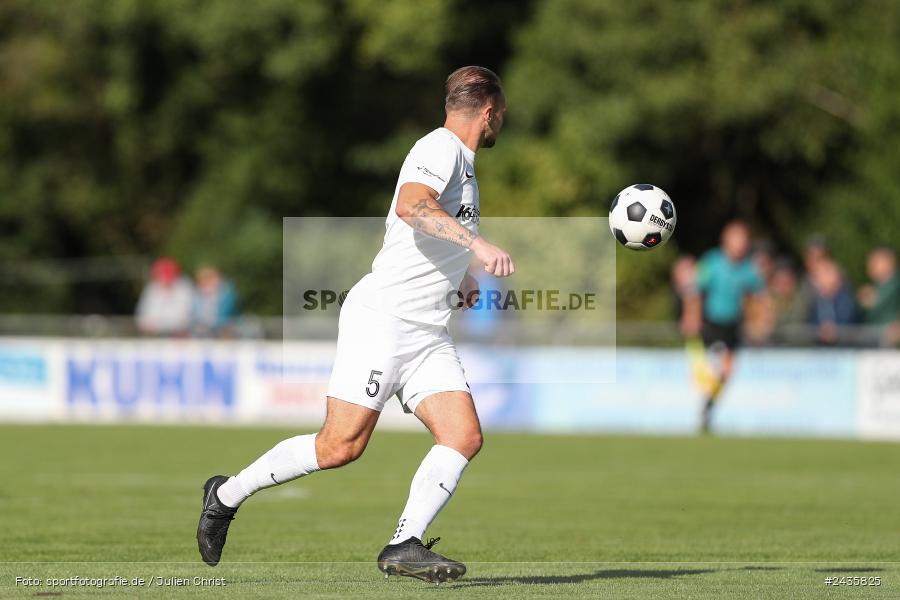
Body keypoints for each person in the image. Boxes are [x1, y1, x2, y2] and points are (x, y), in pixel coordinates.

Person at [196, 66, 512, 583]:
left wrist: (464, 274)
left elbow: (427, 233)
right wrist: (477, 244)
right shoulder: (441, 148)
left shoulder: (464, 163)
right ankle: (225, 494)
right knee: (340, 446)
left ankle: (403, 543)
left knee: (463, 436)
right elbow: (413, 206)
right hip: (384, 322)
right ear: (489, 110)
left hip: (427, 331)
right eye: (503, 112)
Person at [682, 221, 764, 433]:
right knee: (717, 366)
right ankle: (705, 406)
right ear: (726, 240)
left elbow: (757, 295)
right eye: (736, 239)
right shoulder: (712, 261)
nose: (740, 244)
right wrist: (692, 316)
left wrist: (759, 319)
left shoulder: (748, 268)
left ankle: (708, 406)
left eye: (743, 240)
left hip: (733, 324)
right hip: (712, 322)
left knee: (727, 371)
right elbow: (696, 290)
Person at [135, 257, 194, 336]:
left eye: (169, 275)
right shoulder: (151, 289)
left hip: (182, 336)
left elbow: (187, 317)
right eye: (161, 275)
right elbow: (142, 318)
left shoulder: (185, 288)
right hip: (155, 336)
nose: (165, 280)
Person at [857, 246, 900, 346]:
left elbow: (871, 303)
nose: (870, 265)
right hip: (874, 341)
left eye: (875, 262)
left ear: (889, 262)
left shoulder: (895, 285)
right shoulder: (878, 286)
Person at [808, 259, 856, 345]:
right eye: (817, 275)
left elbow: (850, 320)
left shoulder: (848, 298)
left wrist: (834, 330)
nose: (819, 279)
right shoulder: (812, 299)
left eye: (825, 273)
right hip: (818, 351)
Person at [192, 264, 239, 338]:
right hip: (201, 330)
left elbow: (228, 315)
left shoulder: (227, 294)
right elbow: (194, 316)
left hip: (223, 328)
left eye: (209, 279)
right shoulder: (196, 295)